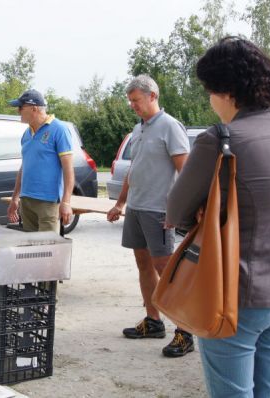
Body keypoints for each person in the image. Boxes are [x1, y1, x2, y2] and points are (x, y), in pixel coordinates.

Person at [167, 37, 270, 397]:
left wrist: (206, 212)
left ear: (227, 91)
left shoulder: (221, 140)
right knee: (269, 391)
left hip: (236, 294)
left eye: (209, 90)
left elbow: (175, 211)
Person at [106, 75, 192, 357]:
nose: (133, 106)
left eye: (137, 101)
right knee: (143, 263)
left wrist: (177, 210)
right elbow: (135, 170)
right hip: (137, 208)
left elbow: (186, 172)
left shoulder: (170, 127)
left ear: (153, 96)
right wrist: (120, 203)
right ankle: (154, 321)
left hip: (160, 211)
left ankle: (185, 330)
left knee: (165, 268)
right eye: (130, 101)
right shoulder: (138, 129)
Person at [6, 89, 75, 232]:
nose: (18, 111)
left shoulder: (59, 130)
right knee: (30, 250)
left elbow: (68, 169)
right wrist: (15, 198)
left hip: (48, 203)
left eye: (20, 107)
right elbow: (24, 166)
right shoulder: (26, 133)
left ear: (34, 108)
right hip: (27, 201)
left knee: (48, 250)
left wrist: (66, 201)